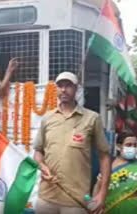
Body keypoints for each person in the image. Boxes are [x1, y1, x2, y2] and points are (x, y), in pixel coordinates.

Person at [33, 72, 111, 214]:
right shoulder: (47, 118)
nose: (63, 90)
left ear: (77, 89)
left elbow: (104, 157)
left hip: (76, 201)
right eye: (60, 86)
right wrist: (42, 165)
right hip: (46, 198)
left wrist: (102, 194)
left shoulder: (92, 118)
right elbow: (38, 151)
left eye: (68, 86)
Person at [94, 131, 137, 214]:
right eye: (129, 145)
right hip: (110, 209)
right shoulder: (107, 165)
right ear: (118, 146)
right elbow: (97, 188)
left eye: (135, 145)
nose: (133, 148)